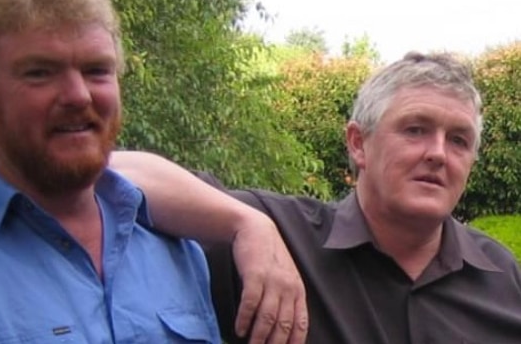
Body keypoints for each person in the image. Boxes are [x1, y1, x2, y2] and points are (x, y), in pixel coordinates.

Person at [0, 0, 308, 344]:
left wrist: (254, 224)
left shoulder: (171, 245)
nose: (78, 95)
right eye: (40, 73)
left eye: (96, 71)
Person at [111, 52, 521, 343]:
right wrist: (247, 224)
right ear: (358, 144)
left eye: (459, 140)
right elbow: (114, 171)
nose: (437, 152)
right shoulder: (283, 237)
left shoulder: (503, 278)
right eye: (415, 129)